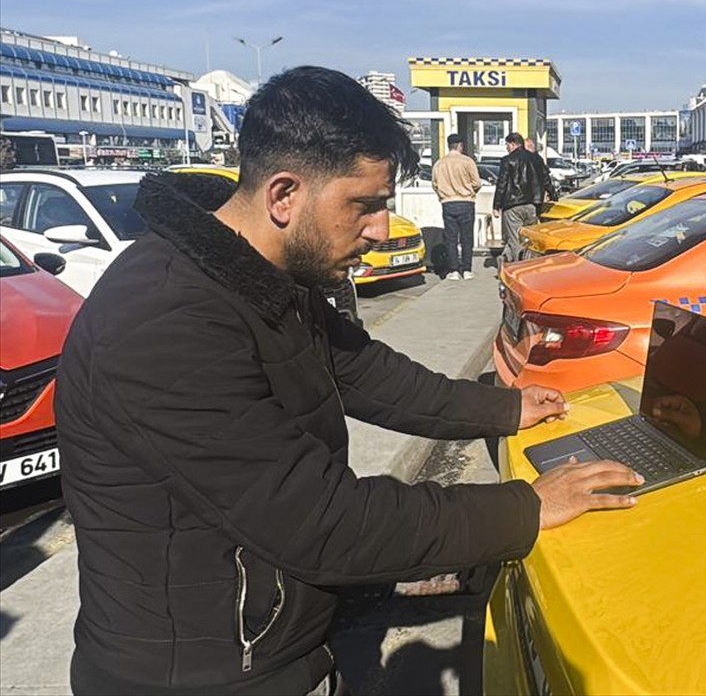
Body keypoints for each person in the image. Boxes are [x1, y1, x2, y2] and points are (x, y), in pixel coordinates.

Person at [54, 67, 642, 696]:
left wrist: (502, 410)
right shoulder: (166, 321)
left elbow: (363, 370)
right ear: (285, 194)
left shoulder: (256, 273)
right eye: (364, 205)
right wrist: (526, 509)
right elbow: (321, 522)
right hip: (210, 674)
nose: (382, 229)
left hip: (275, 636)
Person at [492, 131, 555, 264]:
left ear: (513, 144)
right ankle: (516, 260)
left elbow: (501, 184)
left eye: (507, 145)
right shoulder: (536, 159)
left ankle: (519, 265)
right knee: (529, 238)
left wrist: (496, 206)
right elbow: (546, 179)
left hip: (512, 205)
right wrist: (553, 194)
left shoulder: (508, 160)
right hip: (532, 204)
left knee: (515, 239)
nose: (506, 148)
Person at [431, 132, 482, 280]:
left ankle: (453, 270)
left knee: (451, 238)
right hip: (466, 202)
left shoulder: (439, 163)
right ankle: (466, 269)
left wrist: (443, 195)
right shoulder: (467, 161)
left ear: (449, 146)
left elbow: (435, 185)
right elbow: (477, 183)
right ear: (460, 146)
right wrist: (470, 191)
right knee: (467, 238)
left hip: (448, 203)